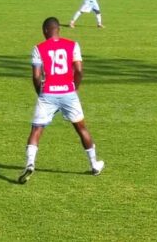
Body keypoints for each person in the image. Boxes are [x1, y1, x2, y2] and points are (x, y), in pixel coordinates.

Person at [18, 17, 104, 184]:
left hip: (47, 93)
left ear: (45, 31)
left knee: (36, 130)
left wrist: (40, 94)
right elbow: (79, 70)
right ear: (59, 30)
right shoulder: (73, 45)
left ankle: (30, 163)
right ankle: (94, 164)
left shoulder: (38, 48)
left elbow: (36, 76)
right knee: (81, 128)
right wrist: (74, 88)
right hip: (68, 93)